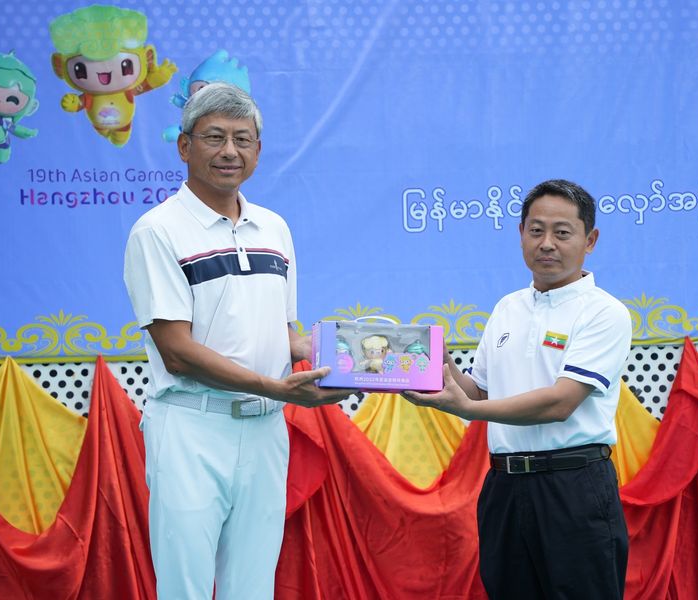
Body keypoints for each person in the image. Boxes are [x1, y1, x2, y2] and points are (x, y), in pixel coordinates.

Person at [123, 82, 353, 600]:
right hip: (191, 426)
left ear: (258, 150)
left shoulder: (273, 228)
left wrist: (342, 354)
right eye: (215, 137)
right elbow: (176, 353)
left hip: (265, 428)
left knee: (252, 585)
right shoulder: (157, 231)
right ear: (184, 146)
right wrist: (277, 389)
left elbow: (284, 332)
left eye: (242, 139)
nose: (230, 151)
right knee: (184, 585)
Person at [405, 179, 632, 599]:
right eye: (536, 230)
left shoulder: (605, 312)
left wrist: (469, 410)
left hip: (574, 487)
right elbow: (478, 392)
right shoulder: (507, 308)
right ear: (521, 233)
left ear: (590, 240)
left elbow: (560, 402)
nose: (547, 244)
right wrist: (433, 365)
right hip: (505, 488)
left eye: (562, 233)